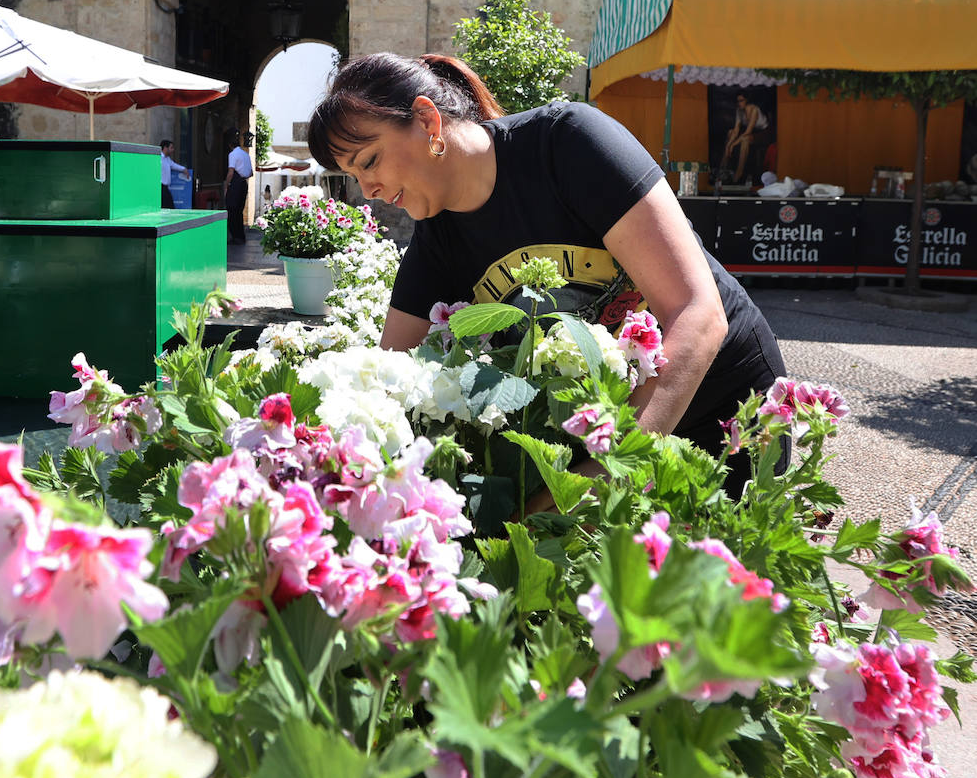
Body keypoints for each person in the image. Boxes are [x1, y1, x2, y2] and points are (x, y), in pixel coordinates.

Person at [307, 53, 787, 498]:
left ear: (428, 120)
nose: (367, 189)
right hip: (606, 436)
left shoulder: (567, 143)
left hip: (723, 410)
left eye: (368, 161)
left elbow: (699, 315)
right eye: (354, 175)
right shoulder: (437, 242)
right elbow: (389, 377)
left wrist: (598, 475)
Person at [719, 93, 767, 184]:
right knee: (731, 132)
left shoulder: (754, 109)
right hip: (750, 131)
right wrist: (728, 146)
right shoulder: (739, 110)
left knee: (745, 139)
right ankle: (723, 169)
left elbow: (748, 131)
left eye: (741, 100)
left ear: (747, 101)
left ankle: (739, 173)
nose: (739, 103)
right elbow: (736, 129)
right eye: (738, 101)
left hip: (762, 132)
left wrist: (733, 144)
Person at [224, 129, 252, 245]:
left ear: (230, 145)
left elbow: (231, 172)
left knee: (231, 210)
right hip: (243, 183)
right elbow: (251, 173)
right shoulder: (245, 154)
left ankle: (235, 236)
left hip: (235, 183)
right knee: (239, 211)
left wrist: (227, 185)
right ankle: (240, 236)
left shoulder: (233, 154)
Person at [159, 139, 190, 209]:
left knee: (169, 207)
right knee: (168, 207)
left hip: (165, 188)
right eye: (171, 148)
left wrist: (184, 169)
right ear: (165, 148)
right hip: (160, 187)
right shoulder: (158, 157)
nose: (173, 150)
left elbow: (173, 165)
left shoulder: (167, 159)